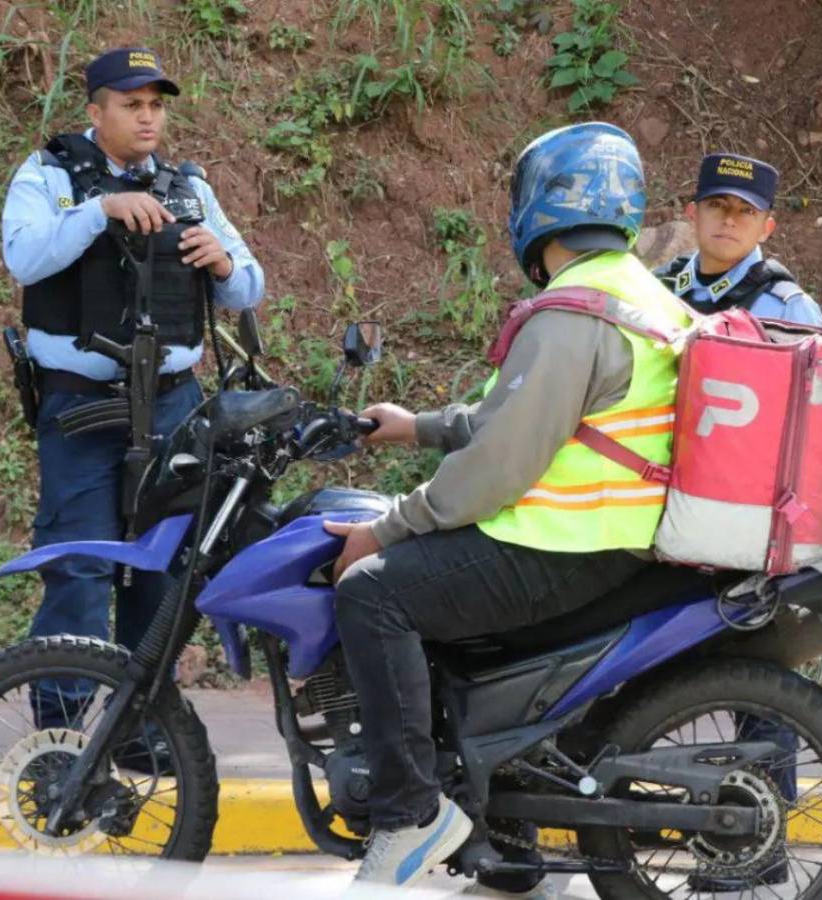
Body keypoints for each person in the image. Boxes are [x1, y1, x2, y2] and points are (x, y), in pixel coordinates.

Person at [323, 122, 691, 889]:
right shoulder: (640, 294)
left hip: (564, 544)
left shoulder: (574, 312)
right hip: (606, 540)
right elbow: (526, 420)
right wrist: (417, 428)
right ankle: (503, 839)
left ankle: (408, 818)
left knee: (374, 594)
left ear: (542, 205)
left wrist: (386, 528)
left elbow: (496, 465)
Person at [0, 47, 264, 764]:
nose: (148, 117)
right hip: (82, 409)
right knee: (81, 570)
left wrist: (225, 263)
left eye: (155, 104)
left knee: (163, 572)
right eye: (131, 104)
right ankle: (58, 738)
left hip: (175, 405)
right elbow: (23, 259)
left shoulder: (188, 188)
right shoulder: (50, 174)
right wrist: (100, 211)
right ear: (96, 111)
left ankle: (138, 731)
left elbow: (248, 290)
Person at [659, 152, 811, 892]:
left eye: (743, 210)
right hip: (663, 513)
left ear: (767, 225)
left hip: (750, 522)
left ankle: (760, 847)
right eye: (715, 204)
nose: (727, 219)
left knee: (758, 683)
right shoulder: (655, 290)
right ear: (690, 211)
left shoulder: (789, 306)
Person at [654, 152, 822, 327]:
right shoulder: (656, 286)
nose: (729, 219)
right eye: (717, 205)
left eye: (747, 210)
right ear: (693, 214)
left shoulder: (789, 311)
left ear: (766, 229)